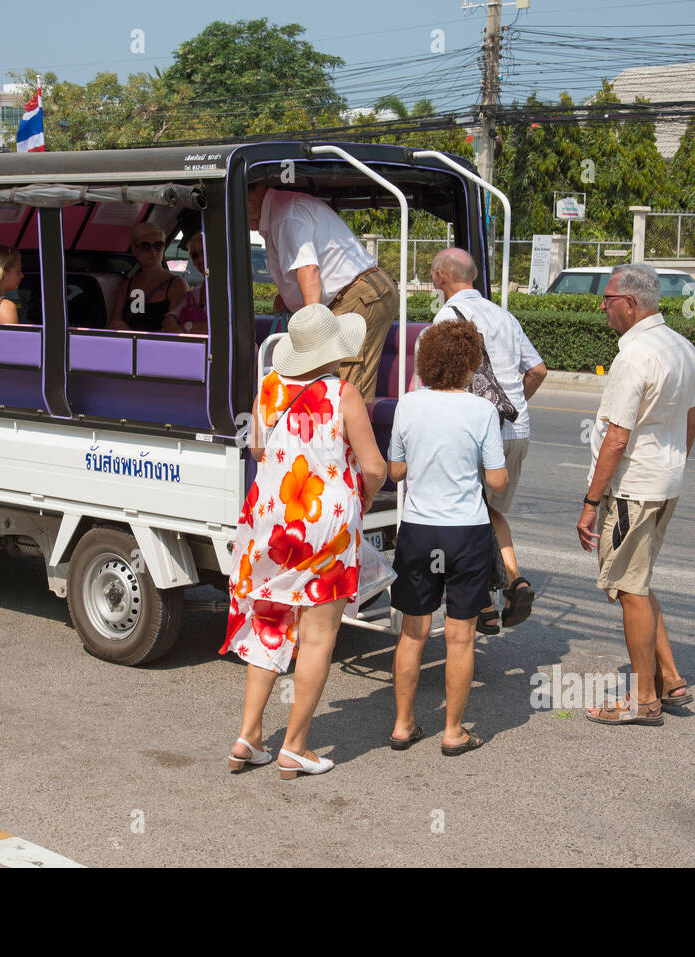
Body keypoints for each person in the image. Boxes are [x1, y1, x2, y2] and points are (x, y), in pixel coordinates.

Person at [222, 303, 387, 779]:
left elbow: (256, 448)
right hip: (324, 526)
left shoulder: (269, 387)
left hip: (270, 525)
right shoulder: (343, 394)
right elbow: (374, 466)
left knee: (269, 625)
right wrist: (365, 497)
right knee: (317, 639)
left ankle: (249, 736)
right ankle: (294, 747)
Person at [577, 264, 695, 726]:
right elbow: (691, 423)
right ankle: (670, 677)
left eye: (608, 299)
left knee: (628, 589)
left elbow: (615, 439)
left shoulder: (633, 357)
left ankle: (644, 700)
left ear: (630, 304)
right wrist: (668, 466)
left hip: (632, 489)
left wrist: (591, 504)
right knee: (640, 581)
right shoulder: (681, 347)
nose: (603, 308)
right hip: (665, 483)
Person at [388, 318, 507, 757]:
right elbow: (497, 480)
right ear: (470, 363)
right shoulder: (481, 411)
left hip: (419, 530)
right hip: (466, 533)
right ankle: (453, 731)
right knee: (461, 636)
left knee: (413, 634)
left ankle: (403, 725)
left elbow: (396, 470)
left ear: (427, 361)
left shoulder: (408, 404)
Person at [430, 247, 547, 632]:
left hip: (477, 435)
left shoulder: (448, 317)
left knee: (467, 515)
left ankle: (482, 604)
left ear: (441, 277)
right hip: (517, 431)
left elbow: (438, 382)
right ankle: (515, 580)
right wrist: (512, 406)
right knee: (491, 512)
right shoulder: (503, 314)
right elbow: (538, 370)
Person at [248, 179, 399, 402]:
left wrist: (313, 329)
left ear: (258, 191)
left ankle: (349, 435)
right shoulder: (282, 212)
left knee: (344, 389)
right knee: (334, 384)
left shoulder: (285, 215)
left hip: (357, 296)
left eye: (246, 199)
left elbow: (308, 269)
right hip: (354, 294)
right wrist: (290, 298)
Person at [110, 223, 187, 333]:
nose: (153, 252)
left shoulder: (177, 285)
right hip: (129, 347)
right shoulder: (127, 285)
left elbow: (176, 332)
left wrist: (131, 332)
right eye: (145, 246)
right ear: (135, 250)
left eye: (158, 245)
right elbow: (114, 324)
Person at [164, 232, 208, 335]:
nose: (200, 259)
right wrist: (178, 330)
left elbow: (224, 329)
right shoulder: (195, 293)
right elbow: (170, 318)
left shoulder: (231, 290)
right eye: (195, 255)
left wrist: (188, 326)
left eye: (204, 252)